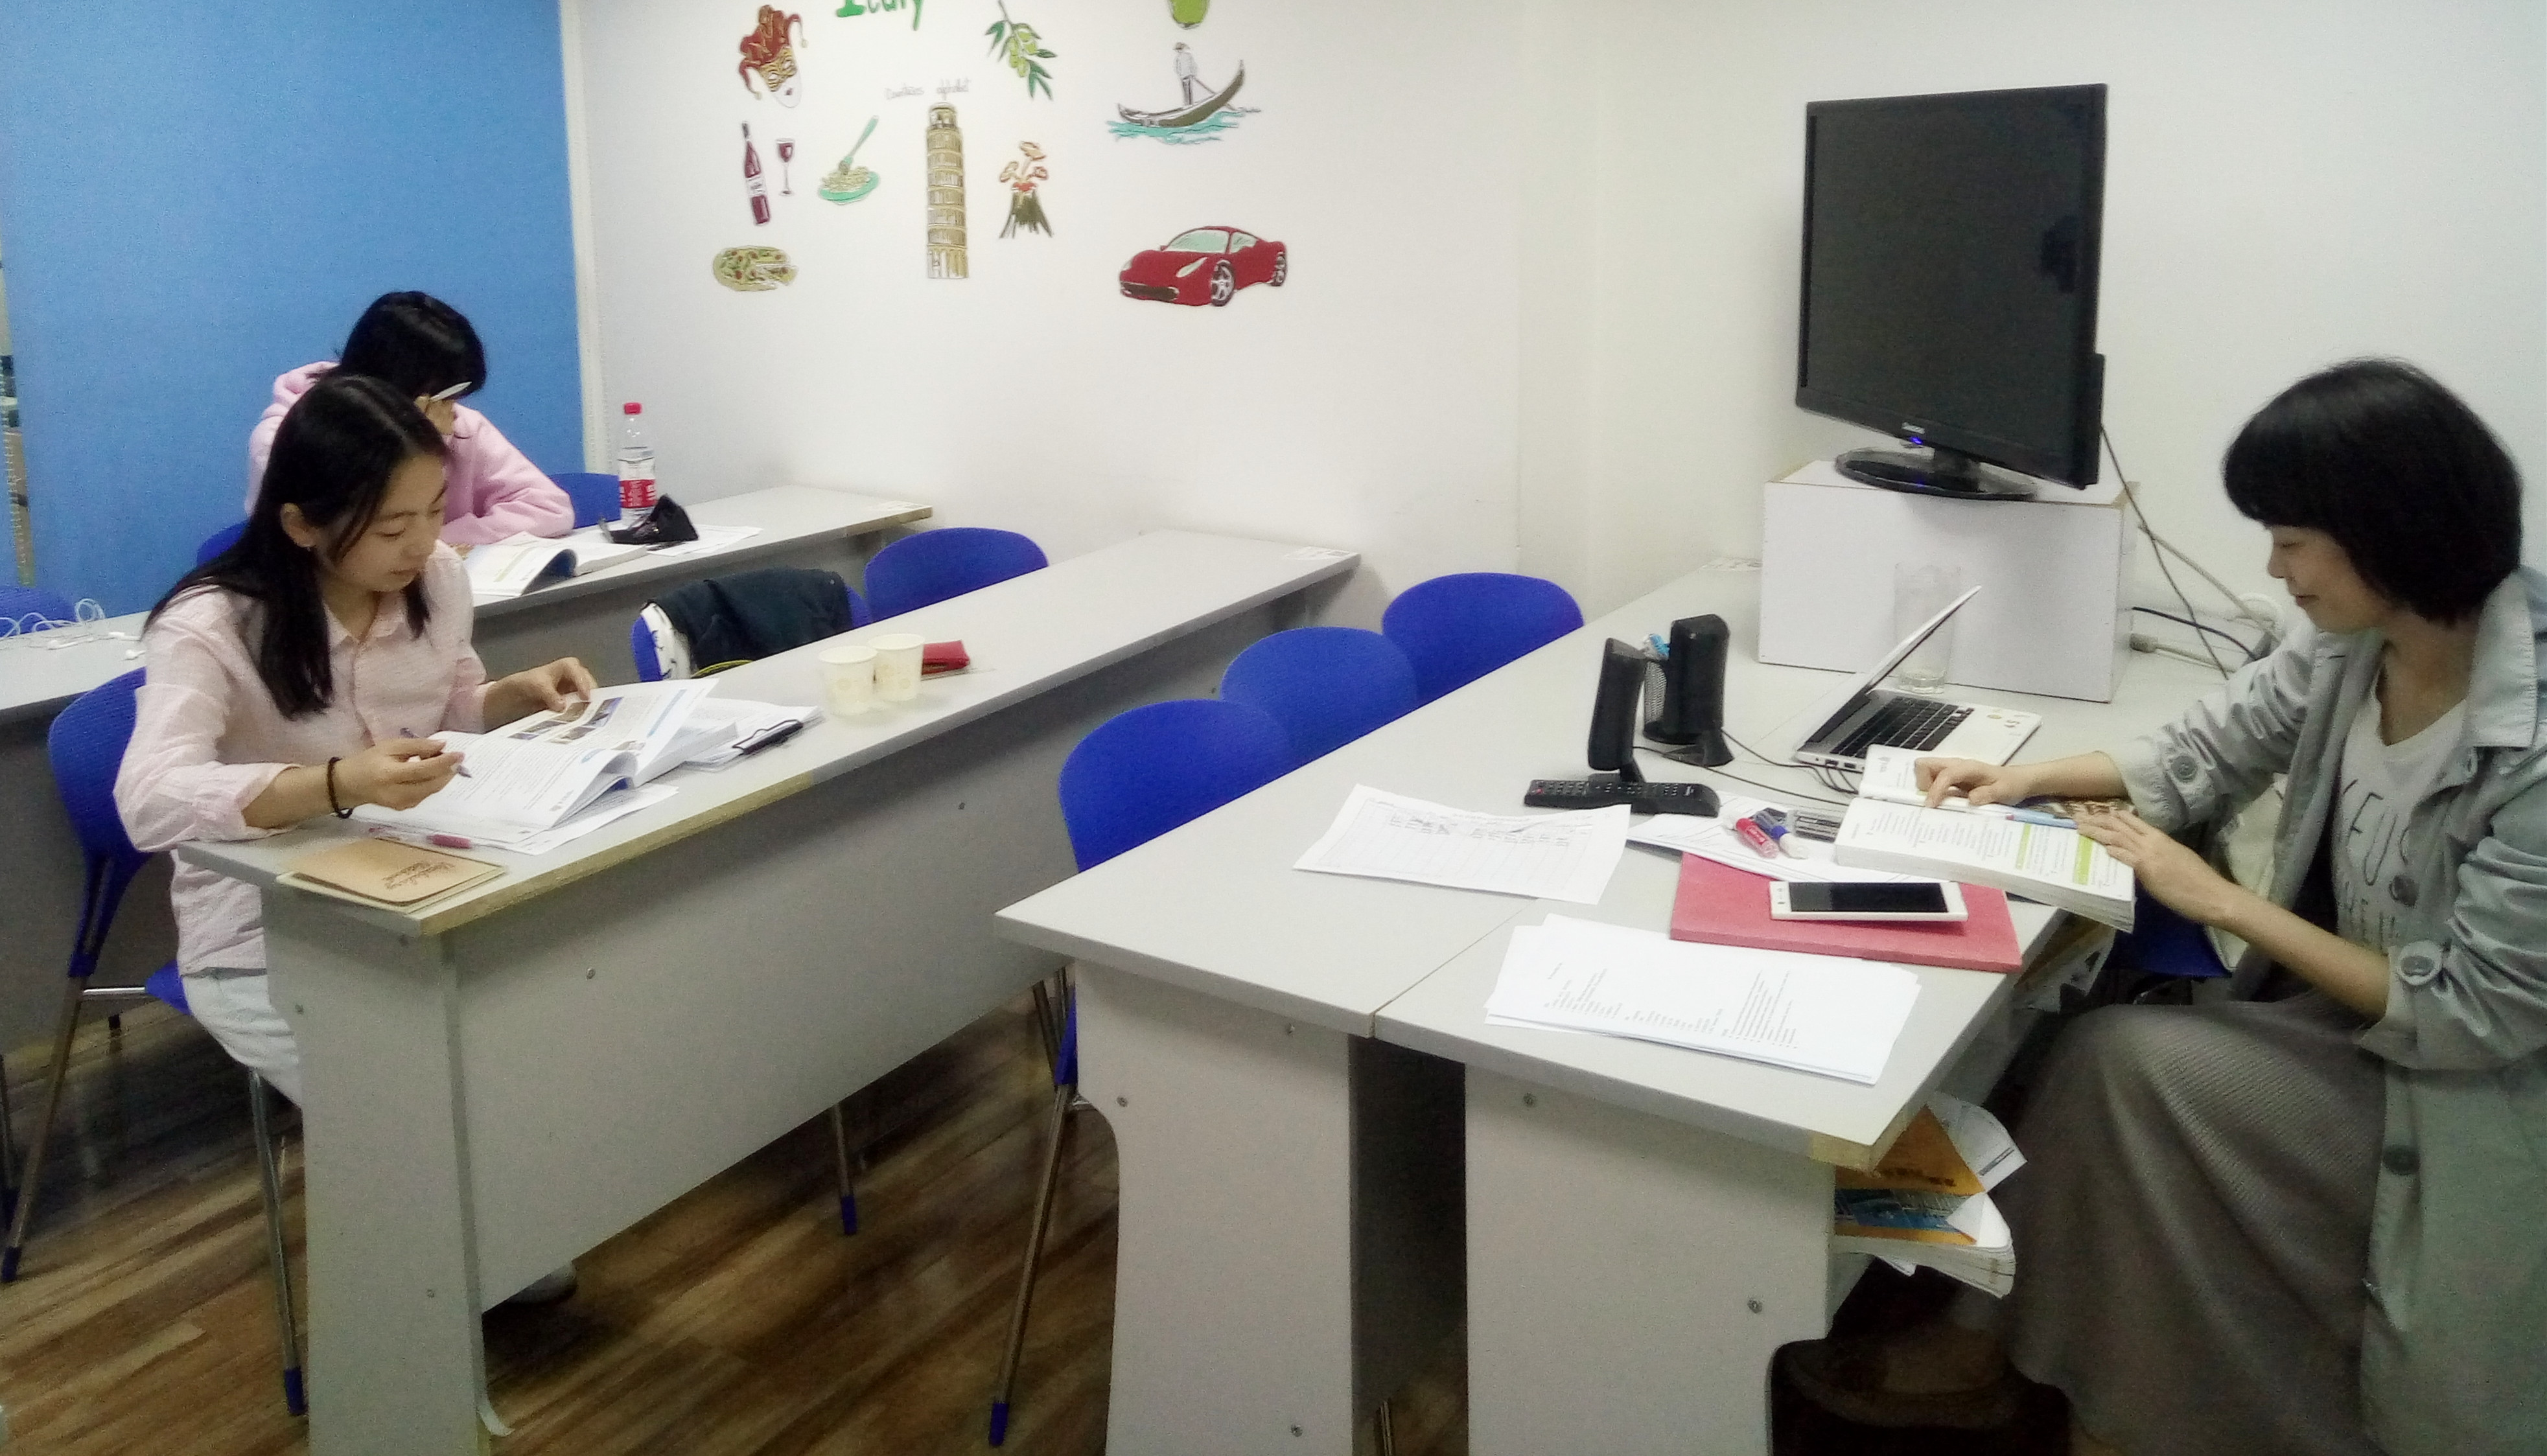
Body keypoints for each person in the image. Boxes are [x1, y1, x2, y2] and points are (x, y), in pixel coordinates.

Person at [1782, 358, 2547, 1456]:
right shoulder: (2354, 644)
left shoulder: (2529, 738)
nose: (2274, 568)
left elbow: (2473, 1011)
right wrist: (2024, 778)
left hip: (2468, 1099)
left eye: (2292, 541)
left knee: (2124, 1067)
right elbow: (2210, 744)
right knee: (2099, 1058)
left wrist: (2219, 899)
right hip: (2356, 1035)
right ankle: (2010, 1357)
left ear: (2391, 532)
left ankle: (2057, 1382)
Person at [124, 372, 594, 1108]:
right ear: (301, 524)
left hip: (419, 884)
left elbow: (447, 710)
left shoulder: (438, 579)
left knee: (533, 1050)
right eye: (390, 528)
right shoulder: (210, 626)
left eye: (435, 511)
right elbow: (149, 800)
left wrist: (511, 697)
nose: (424, 543)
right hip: (267, 930)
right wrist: (337, 783)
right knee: (418, 1107)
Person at [246, 292, 573, 546]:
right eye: (443, 394)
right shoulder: (288, 438)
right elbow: (354, 536)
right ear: (398, 385)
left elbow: (549, 507)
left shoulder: (458, 424)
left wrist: (445, 543)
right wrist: (423, 447)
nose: (452, 408)